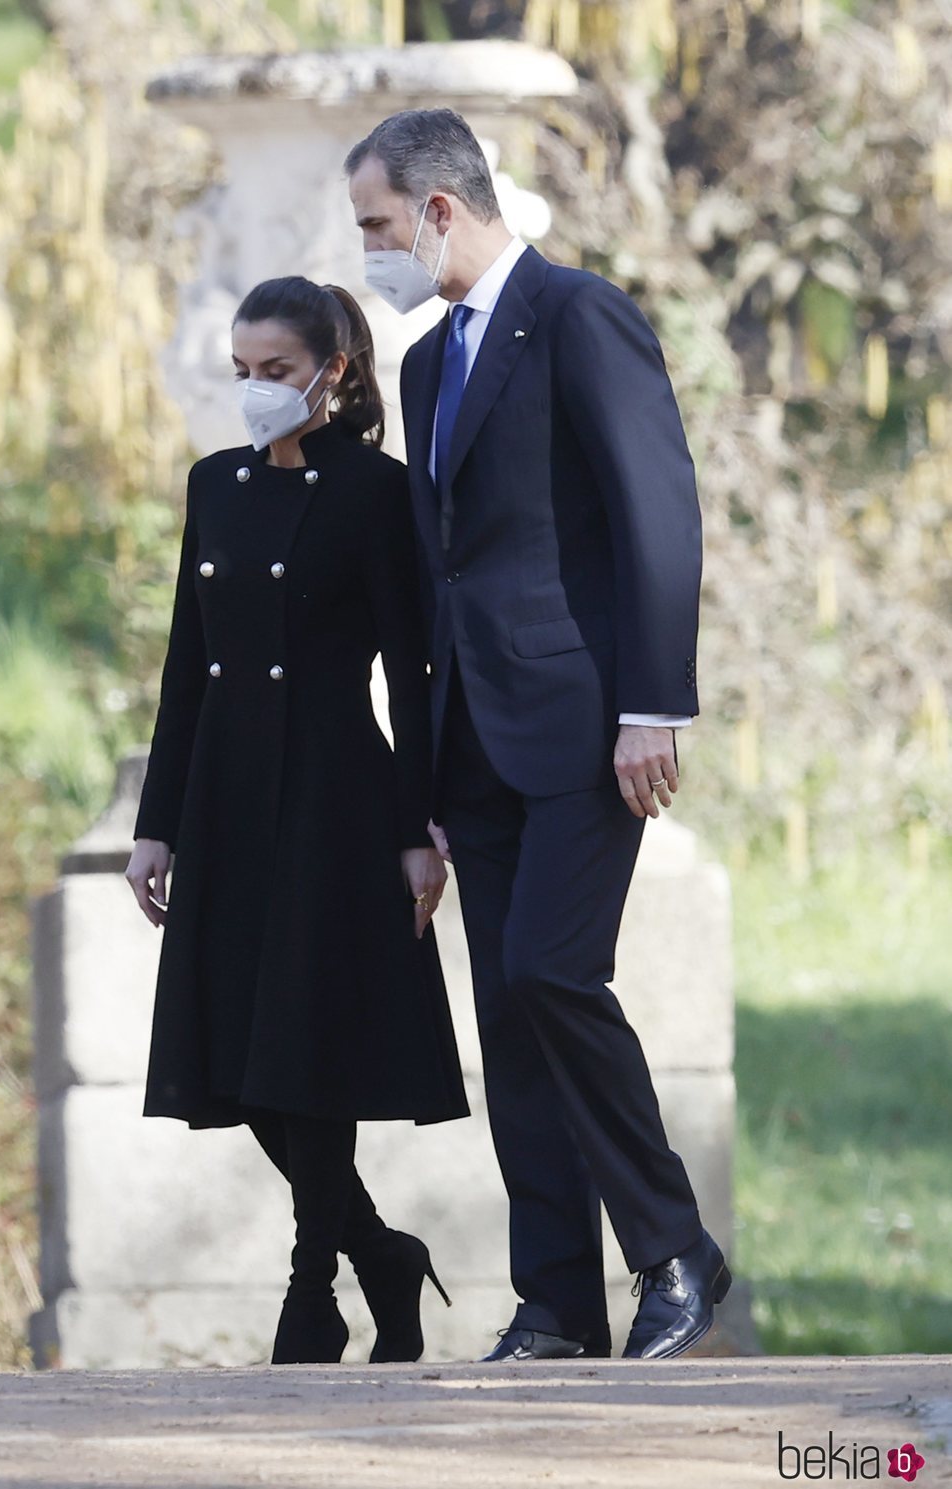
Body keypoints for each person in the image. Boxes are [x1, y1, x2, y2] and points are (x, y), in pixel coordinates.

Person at [343, 109, 732, 1362]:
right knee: (510, 1012)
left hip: (585, 730)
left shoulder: (578, 317)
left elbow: (656, 513)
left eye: (377, 228)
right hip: (471, 741)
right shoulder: (419, 365)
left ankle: (672, 1249)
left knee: (555, 975)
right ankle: (554, 1300)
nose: (372, 254)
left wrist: (651, 704)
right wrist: (420, 778)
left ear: (440, 211)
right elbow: (436, 569)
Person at [125, 275, 470, 1366]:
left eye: (275, 371)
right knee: (238, 1047)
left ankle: (312, 1284)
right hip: (223, 797)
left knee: (304, 1042)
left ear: (334, 370)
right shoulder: (212, 484)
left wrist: (419, 823)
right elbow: (188, 667)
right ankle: (380, 1253)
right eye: (242, 372)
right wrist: (155, 824)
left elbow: (413, 676)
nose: (256, 391)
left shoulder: (377, 492)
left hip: (333, 794)